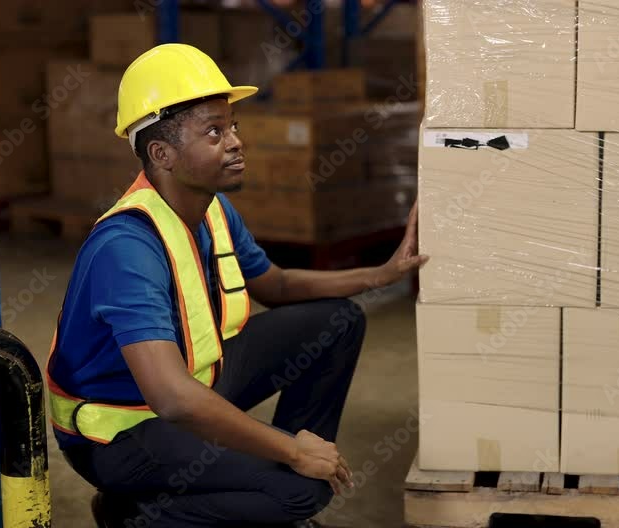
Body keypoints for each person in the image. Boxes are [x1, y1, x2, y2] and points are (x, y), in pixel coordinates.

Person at [45, 43, 428, 528]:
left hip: (192, 384)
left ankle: (264, 479)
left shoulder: (212, 209)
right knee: (303, 491)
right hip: (119, 433)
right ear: (161, 153)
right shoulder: (126, 248)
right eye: (213, 131)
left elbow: (278, 284)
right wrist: (290, 453)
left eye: (233, 126)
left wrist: (383, 274)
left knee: (338, 320)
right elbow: (172, 399)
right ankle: (134, 514)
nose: (235, 141)